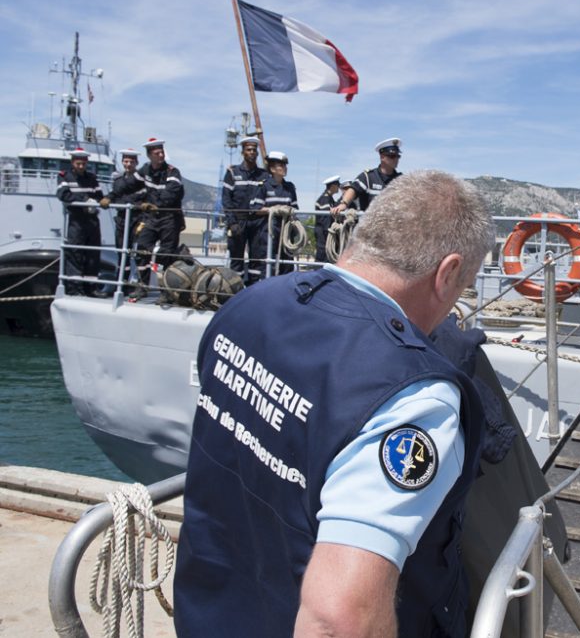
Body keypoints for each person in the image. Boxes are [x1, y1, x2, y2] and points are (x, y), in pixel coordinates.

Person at [174, 170, 496, 637]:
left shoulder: (247, 307)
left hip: (207, 615)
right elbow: (339, 619)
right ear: (447, 274)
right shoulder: (415, 399)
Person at [133, 138, 185, 297]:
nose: (161, 155)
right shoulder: (145, 171)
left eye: (162, 152)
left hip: (170, 218)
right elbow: (131, 187)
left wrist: (154, 203)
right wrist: (111, 196)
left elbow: (172, 193)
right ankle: (142, 286)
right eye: (157, 153)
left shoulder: (172, 172)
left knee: (166, 254)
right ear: (149, 155)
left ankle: (166, 292)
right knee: (142, 248)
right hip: (151, 218)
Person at [56, 148, 104, 296]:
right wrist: (85, 201)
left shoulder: (92, 178)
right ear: (72, 163)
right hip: (76, 221)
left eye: (83, 164)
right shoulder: (64, 177)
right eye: (78, 163)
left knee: (93, 254)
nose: (81, 166)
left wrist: (95, 203)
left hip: (92, 220)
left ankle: (91, 288)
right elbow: (63, 195)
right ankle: (75, 289)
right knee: (75, 254)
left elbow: (100, 196)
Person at [249, 151, 299, 278]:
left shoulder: (289, 188)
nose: (284, 168)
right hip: (269, 231)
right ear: (272, 169)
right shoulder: (264, 186)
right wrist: (274, 209)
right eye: (281, 166)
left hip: (286, 232)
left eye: (285, 166)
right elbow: (255, 209)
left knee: (287, 264)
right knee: (268, 264)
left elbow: (294, 208)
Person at [222, 136, 266, 280]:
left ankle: (253, 289)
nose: (252, 152)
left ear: (257, 153)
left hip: (257, 224)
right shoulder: (233, 173)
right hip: (238, 222)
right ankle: (236, 289)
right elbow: (226, 200)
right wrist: (232, 223)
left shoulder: (263, 175)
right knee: (236, 259)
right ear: (243, 152)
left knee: (257, 260)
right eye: (248, 150)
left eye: (254, 150)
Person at [333, 137, 403, 213]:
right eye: (392, 156)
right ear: (382, 157)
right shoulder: (368, 177)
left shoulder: (401, 180)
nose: (396, 159)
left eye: (398, 156)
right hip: (371, 223)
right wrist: (344, 204)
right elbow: (353, 189)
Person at [103, 148, 147, 255]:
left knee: (136, 251)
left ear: (136, 163)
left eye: (132, 162)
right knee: (120, 249)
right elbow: (116, 196)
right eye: (126, 162)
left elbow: (144, 198)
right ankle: (122, 271)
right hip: (121, 219)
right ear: (122, 162)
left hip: (136, 219)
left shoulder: (142, 181)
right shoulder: (118, 181)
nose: (128, 164)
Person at [313, 175, 341, 263]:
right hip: (324, 236)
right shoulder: (324, 200)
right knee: (322, 259)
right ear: (333, 186)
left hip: (326, 235)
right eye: (338, 185)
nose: (339, 187)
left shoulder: (330, 199)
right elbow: (325, 220)